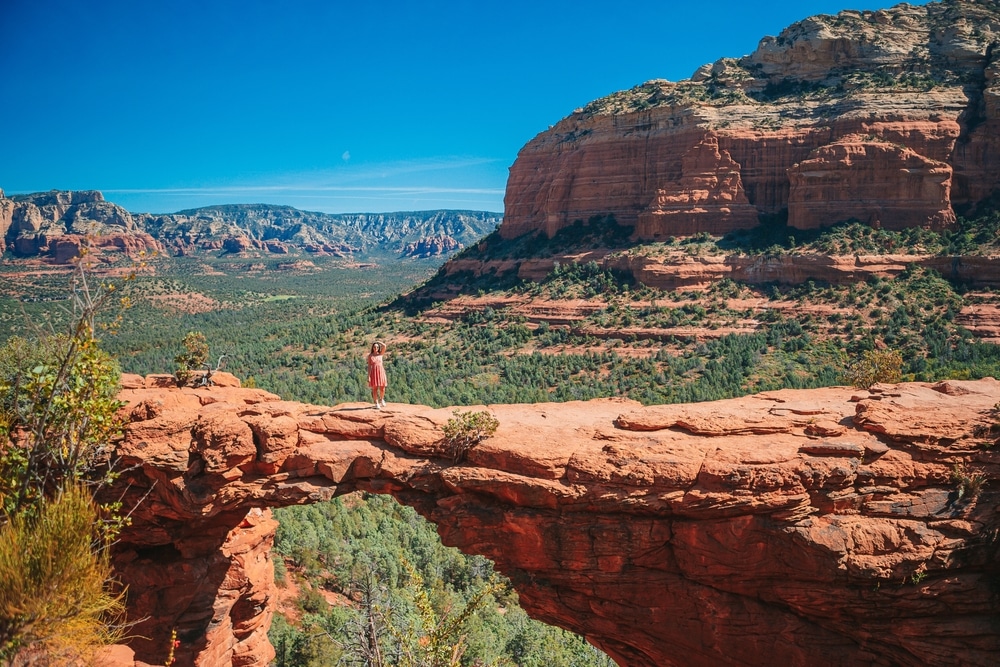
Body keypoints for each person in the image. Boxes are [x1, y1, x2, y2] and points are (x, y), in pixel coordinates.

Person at [367, 341, 387, 409]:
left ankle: (382, 399)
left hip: (381, 372)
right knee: (375, 389)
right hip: (374, 373)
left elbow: (384, 346)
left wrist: (378, 342)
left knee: (382, 388)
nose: (376, 348)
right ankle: (376, 403)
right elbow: (369, 366)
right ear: (372, 348)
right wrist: (368, 376)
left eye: (377, 347)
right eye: (374, 347)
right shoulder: (370, 356)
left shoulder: (380, 354)